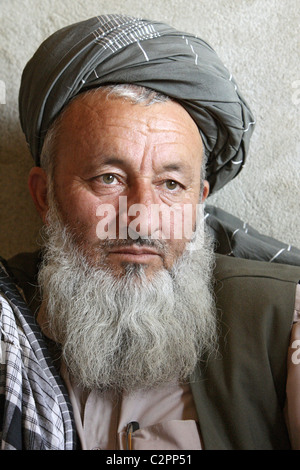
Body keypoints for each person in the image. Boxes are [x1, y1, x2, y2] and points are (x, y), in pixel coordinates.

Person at [0, 14, 300, 451]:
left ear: (199, 203)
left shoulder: (283, 319)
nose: (142, 219)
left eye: (171, 185)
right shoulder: (11, 328)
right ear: (45, 195)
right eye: (109, 178)